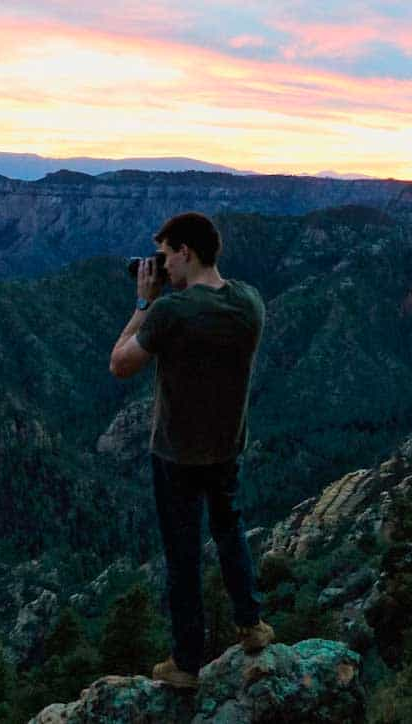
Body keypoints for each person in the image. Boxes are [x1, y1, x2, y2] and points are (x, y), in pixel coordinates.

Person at [109, 211, 275, 689]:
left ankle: (186, 663)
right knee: (230, 532)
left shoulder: (169, 313)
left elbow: (120, 364)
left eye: (165, 256)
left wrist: (144, 300)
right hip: (226, 448)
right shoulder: (250, 303)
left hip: (176, 454)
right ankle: (252, 624)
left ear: (186, 251)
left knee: (182, 556)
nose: (162, 266)